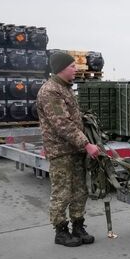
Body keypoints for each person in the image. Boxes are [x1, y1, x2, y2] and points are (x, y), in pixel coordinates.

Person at [37, 52, 101, 247]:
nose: (76, 69)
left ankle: (78, 225)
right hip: (61, 151)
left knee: (80, 191)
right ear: (61, 68)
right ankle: (61, 230)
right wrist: (86, 144)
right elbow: (62, 124)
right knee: (62, 192)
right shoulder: (50, 91)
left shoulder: (65, 89)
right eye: (73, 66)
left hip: (74, 150)